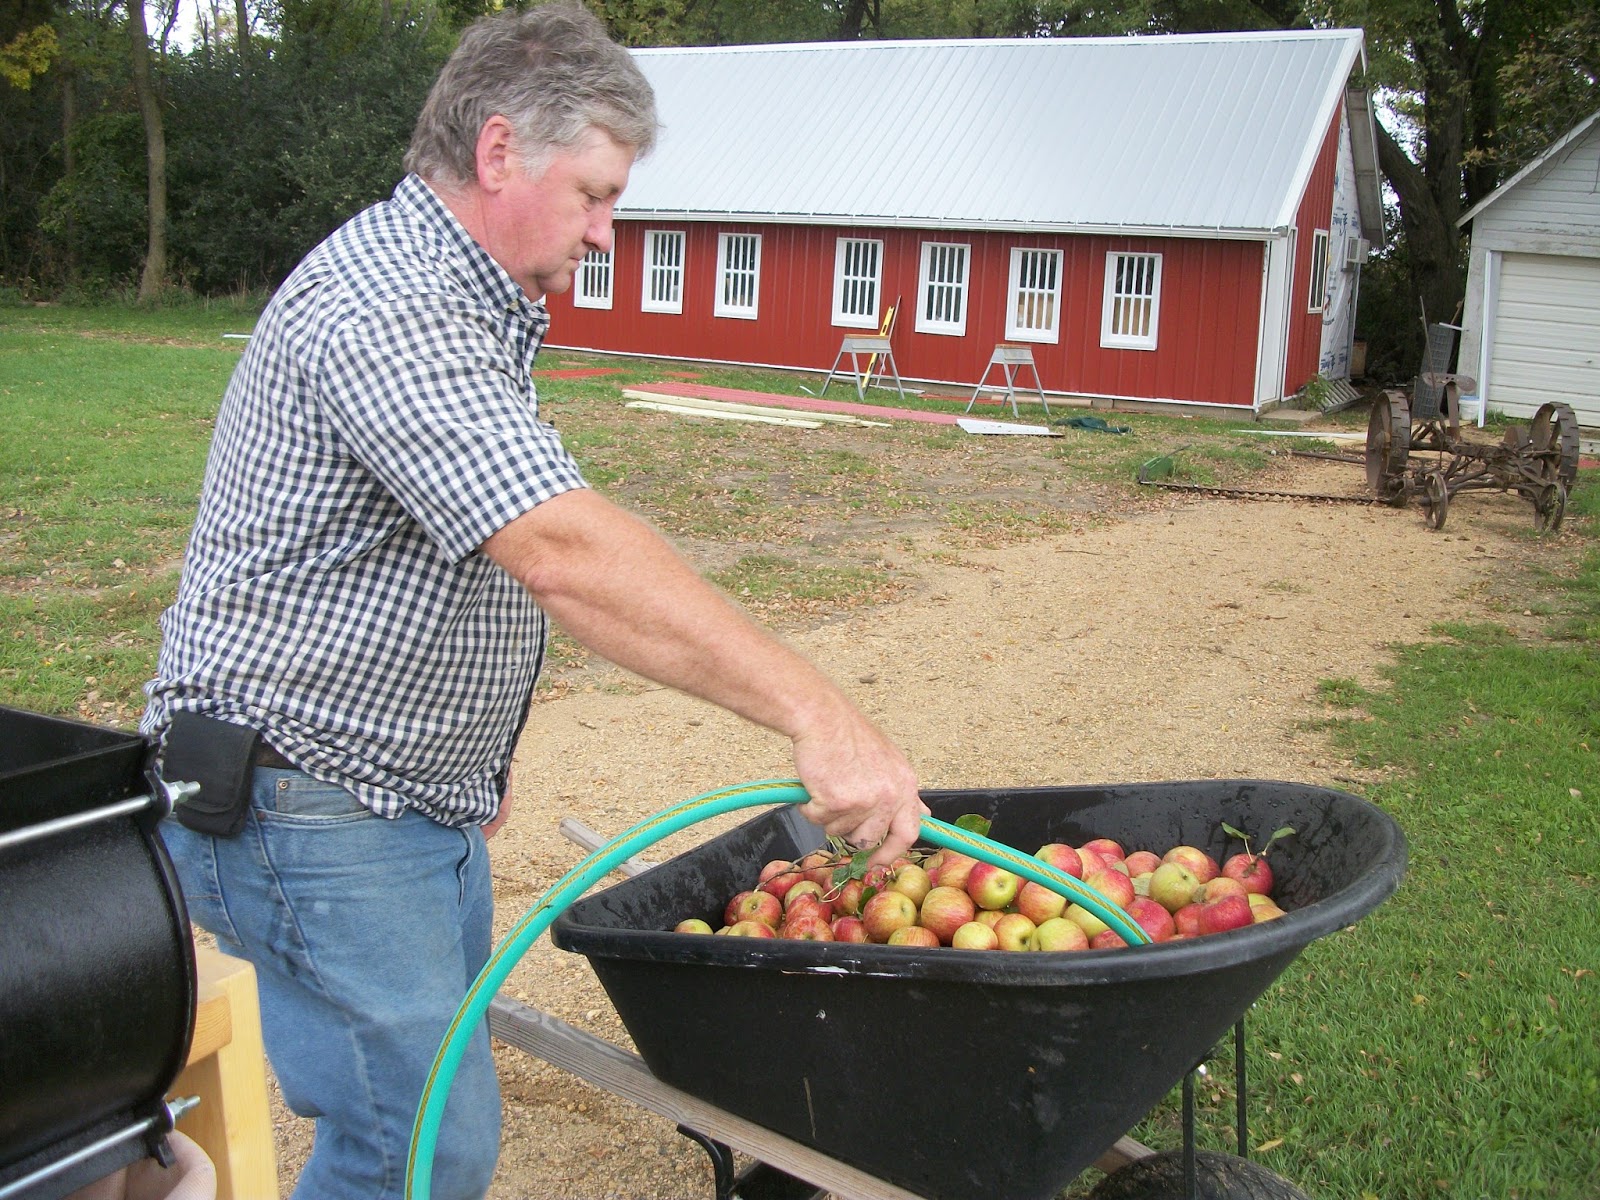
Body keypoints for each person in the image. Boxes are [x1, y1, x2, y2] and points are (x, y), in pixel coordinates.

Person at [140, 6, 927, 1198]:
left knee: (423, 1128)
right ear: (499, 153)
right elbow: (560, 548)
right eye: (596, 196)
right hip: (308, 808)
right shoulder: (390, 306)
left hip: (389, 801)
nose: (610, 235)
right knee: (410, 1154)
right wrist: (820, 714)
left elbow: (458, 549)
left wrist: (467, 755)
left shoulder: (462, 298)